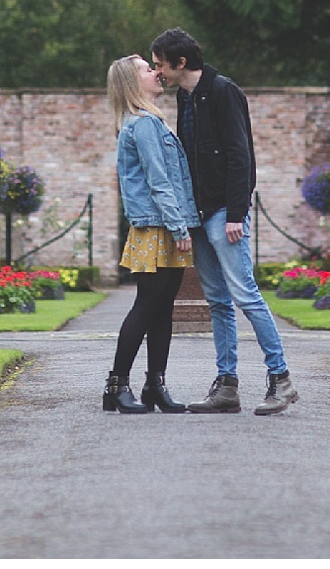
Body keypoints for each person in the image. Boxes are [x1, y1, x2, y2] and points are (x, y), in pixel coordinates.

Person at [149, 28, 298, 416]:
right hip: (198, 214)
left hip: (222, 213)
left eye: (159, 64)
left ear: (180, 63)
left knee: (245, 293)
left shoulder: (223, 91)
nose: (157, 71)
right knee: (217, 301)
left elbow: (240, 154)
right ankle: (227, 385)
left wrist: (236, 212)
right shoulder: (185, 96)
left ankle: (281, 379)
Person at [103, 53, 197, 414]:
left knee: (162, 309)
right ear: (132, 82)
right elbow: (159, 182)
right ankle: (116, 385)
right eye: (148, 69)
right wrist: (179, 226)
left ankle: (155, 385)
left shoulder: (152, 123)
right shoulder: (142, 125)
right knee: (147, 306)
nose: (157, 72)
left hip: (164, 225)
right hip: (156, 227)